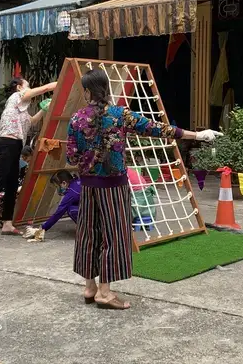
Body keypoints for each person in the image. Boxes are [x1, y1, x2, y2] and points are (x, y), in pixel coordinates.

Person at [67, 69, 221, 309]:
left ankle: (90, 288)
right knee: (114, 235)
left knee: (89, 235)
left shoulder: (76, 118)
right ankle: (105, 294)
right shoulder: (120, 115)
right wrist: (198, 135)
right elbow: (159, 129)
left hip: (88, 186)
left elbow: (71, 155)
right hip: (114, 187)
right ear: (106, 89)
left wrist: (90, 160)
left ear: (86, 91)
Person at [0, 78, 57, 239]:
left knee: (11, 185)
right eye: (27, 85)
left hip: (15, 146)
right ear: (19, 87)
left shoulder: (20, 110)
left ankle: (7, 223)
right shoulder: (16, 97)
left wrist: (44, 109)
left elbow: (32, 121)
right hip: (7, 144)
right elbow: (44, 89)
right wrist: (60, 84)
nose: (29, 88)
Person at [23, 170, 81, 241]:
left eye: (57, 186)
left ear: (64, 183)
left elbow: (58, 213)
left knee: (70, 209)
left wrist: (42, 228)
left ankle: (85, 229)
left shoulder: (71, 193)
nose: (58, 189)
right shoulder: (77, 182)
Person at [0, 145, 33, 227]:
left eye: (26, 157)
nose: (24, 159)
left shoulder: (29, 169)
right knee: (3, 197)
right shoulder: (12, 167)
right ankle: (0, 217)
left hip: (20, 194)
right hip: (7, 194)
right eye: (22, 157)